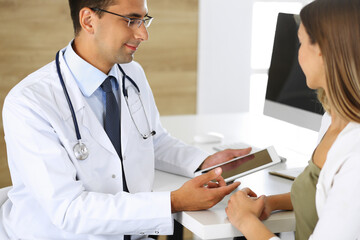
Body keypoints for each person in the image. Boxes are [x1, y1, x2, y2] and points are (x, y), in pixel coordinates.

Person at [0, 0, 249, 239]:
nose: (143, 34)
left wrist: (205, 161)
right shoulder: (29, 102)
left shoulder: (131, 73)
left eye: (144, 20)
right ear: (88, 20)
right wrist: (173, 202)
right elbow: (68, 209)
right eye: (131, 20)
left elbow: (152, 139)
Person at [225, 0, 360, 239]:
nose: (297, 52)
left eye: (301, 42)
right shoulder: (332, 117)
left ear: (324, 50)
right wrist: (270, 202)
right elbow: (326, 193)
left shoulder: (355, 154)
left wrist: (246, 221)